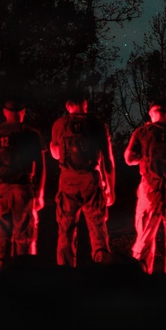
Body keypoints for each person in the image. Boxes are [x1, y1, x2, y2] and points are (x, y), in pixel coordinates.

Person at [124, 101, 166, 274]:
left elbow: (129, 159)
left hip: (150, 188)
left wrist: (144, 158)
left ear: (151, 113)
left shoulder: (142, 132)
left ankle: (142, 274)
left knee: (145, 236)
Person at [0, 100, 46, 270]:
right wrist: (39, 193)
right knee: (24, 238)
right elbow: (41, 166)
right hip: (23, 190)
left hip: (0, 191)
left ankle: (3, 278)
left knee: (1, 240)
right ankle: (22, 278)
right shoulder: (32, 134)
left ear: (4, 112)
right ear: (23, 112)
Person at [50, 96, 115, 266]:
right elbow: (107, 159)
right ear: (85, 104)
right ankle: (102, 270)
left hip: (68, 181)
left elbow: (56, 154)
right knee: (98, 229)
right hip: (91, 181)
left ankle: (66, 274)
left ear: (67, 105)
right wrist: (111, 188)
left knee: (66, 231)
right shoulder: (97, 124)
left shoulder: (60, 124)